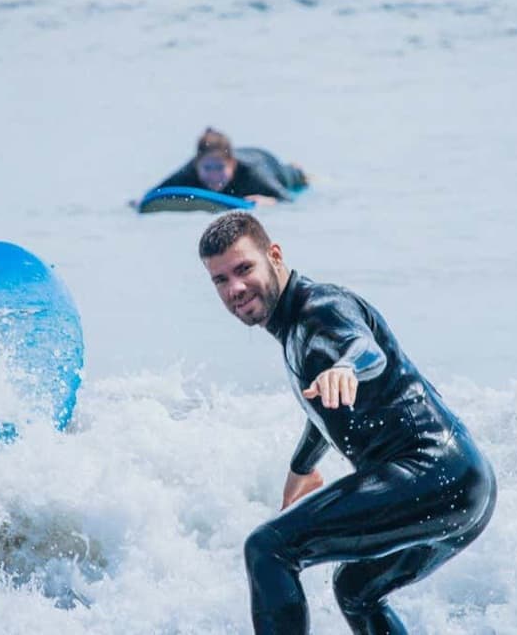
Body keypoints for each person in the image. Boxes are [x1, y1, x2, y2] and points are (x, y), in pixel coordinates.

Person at [198, 212, 495, 634]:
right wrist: (302, 468)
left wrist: (348, 368)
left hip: (432, 471)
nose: (236, 288)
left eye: (244, 269)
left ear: (274, 256)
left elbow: (367, 351)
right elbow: (323, 408)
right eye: (220, 280)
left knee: (269, 549)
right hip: (465, 481)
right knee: (356, 589)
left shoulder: (322, 308)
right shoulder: (293, 330)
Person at [154, 128, 309, 206]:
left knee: (294, 178)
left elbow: (288, 200)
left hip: (266, 163)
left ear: (232, 164)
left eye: (220, 168)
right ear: (197, 165)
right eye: (207, 168)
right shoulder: (190, 170)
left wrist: (269, 201)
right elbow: (154, 195)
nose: (214, 176)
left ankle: (295, 168)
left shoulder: (252, 172)